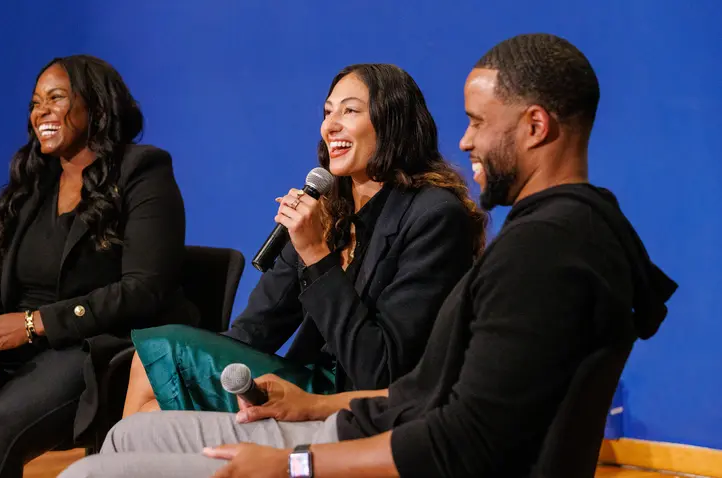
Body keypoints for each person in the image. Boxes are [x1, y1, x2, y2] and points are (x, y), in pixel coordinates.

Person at [59, 34, 678, 478]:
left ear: (536, 127)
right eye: (326, 112)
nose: (463, 140)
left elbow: (432, 411)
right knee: (127, 433)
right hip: (340, 411)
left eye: (477, 122)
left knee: (87, 471)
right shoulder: (544, 238)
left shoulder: (521, 244)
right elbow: (422, 391)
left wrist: (292, 465)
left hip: (356, 421)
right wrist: (292, 395)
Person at [121, 63, 487, 417]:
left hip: (356, 400)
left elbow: (379, 370)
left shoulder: (433, 215)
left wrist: (315, 253)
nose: (332, 125)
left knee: (158, 352)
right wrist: (207, 373)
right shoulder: (328, 208)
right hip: (301, 381)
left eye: (350, 111)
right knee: (154, 407)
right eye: (328, 112)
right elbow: (254, 332)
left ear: (391, 122)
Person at [0, 55, 199, 478]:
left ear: (95, 106)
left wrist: (31, 323)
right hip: (7, 346)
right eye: (35, 103)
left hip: (91, 347)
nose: (41, 111)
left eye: (55, 98)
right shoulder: (29, 182)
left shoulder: (142, 172)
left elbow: (143, 289)